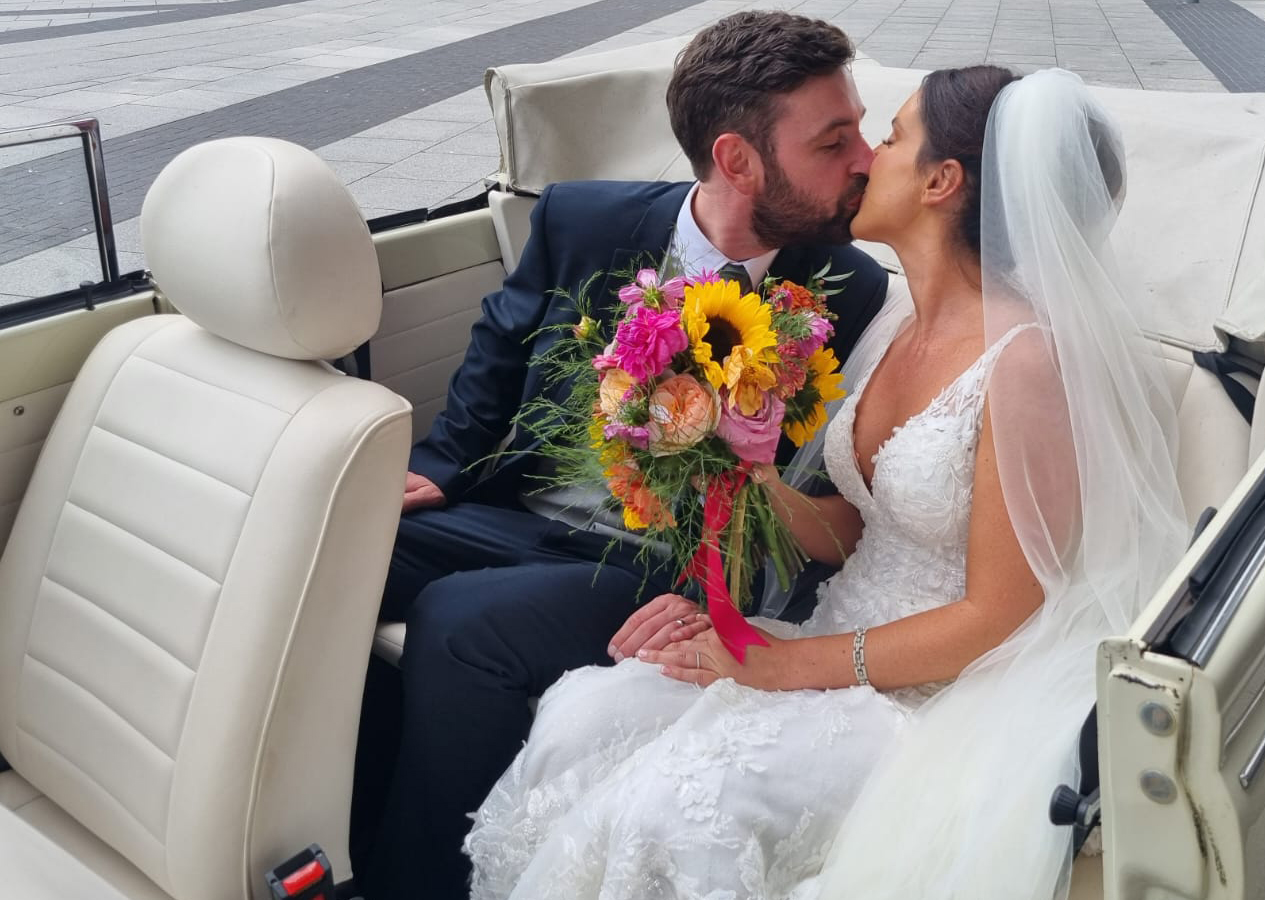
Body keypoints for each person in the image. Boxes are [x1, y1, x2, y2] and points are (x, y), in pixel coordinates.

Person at [464, 66, 1190, 900]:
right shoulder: (895, 321)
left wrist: (789, 663)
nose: (865, 158)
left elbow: (998, 617)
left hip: (932, 694)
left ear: (941, 182)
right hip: (828, 640)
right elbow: (860, 525)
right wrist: (756, 473)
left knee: (670, 811)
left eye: (892, 137)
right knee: (579, 720)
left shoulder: (1025, 364)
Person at [350, 12, 891, 900]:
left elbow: (817, 491)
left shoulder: (847, 290)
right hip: (520, 514)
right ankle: (341, 833)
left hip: (660, 565)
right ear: (738, 159)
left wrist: (703, 599)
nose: (864, 157)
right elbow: (500, 350)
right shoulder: (582, 219)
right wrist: (440, 469)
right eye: (835, 141)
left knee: (460, 617)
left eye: (858, 131)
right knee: (334, 558)